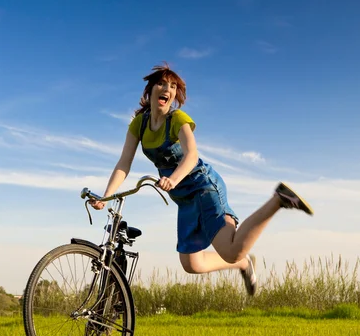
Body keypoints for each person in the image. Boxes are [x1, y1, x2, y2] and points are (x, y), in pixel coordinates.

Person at [90, 62, 313, 296]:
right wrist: (105, 196)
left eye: (173, 86)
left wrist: (173, 179)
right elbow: (124, 163)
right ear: (150, 89)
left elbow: (191, 155)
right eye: (162, 83)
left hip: (204, 188)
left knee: (231, 250)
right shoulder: (140, 124)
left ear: (175, 94)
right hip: (184, 199)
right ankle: (243, 264)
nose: (168, 88)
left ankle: (279, 200)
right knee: (192, 265)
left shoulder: (178, 119)